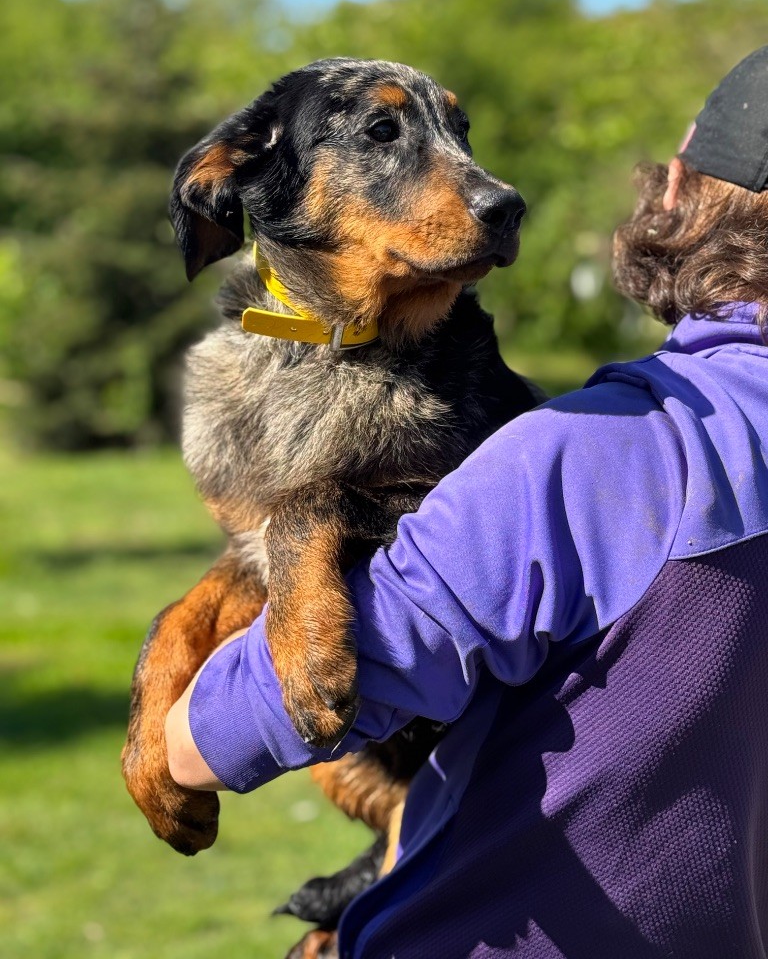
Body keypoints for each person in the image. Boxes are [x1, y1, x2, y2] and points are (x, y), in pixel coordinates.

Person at [165, 47, 768, 958]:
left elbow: (215, 740)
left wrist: (176, 716)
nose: (494, 188)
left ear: (680, 188)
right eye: (387, 133)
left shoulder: (594, 455)